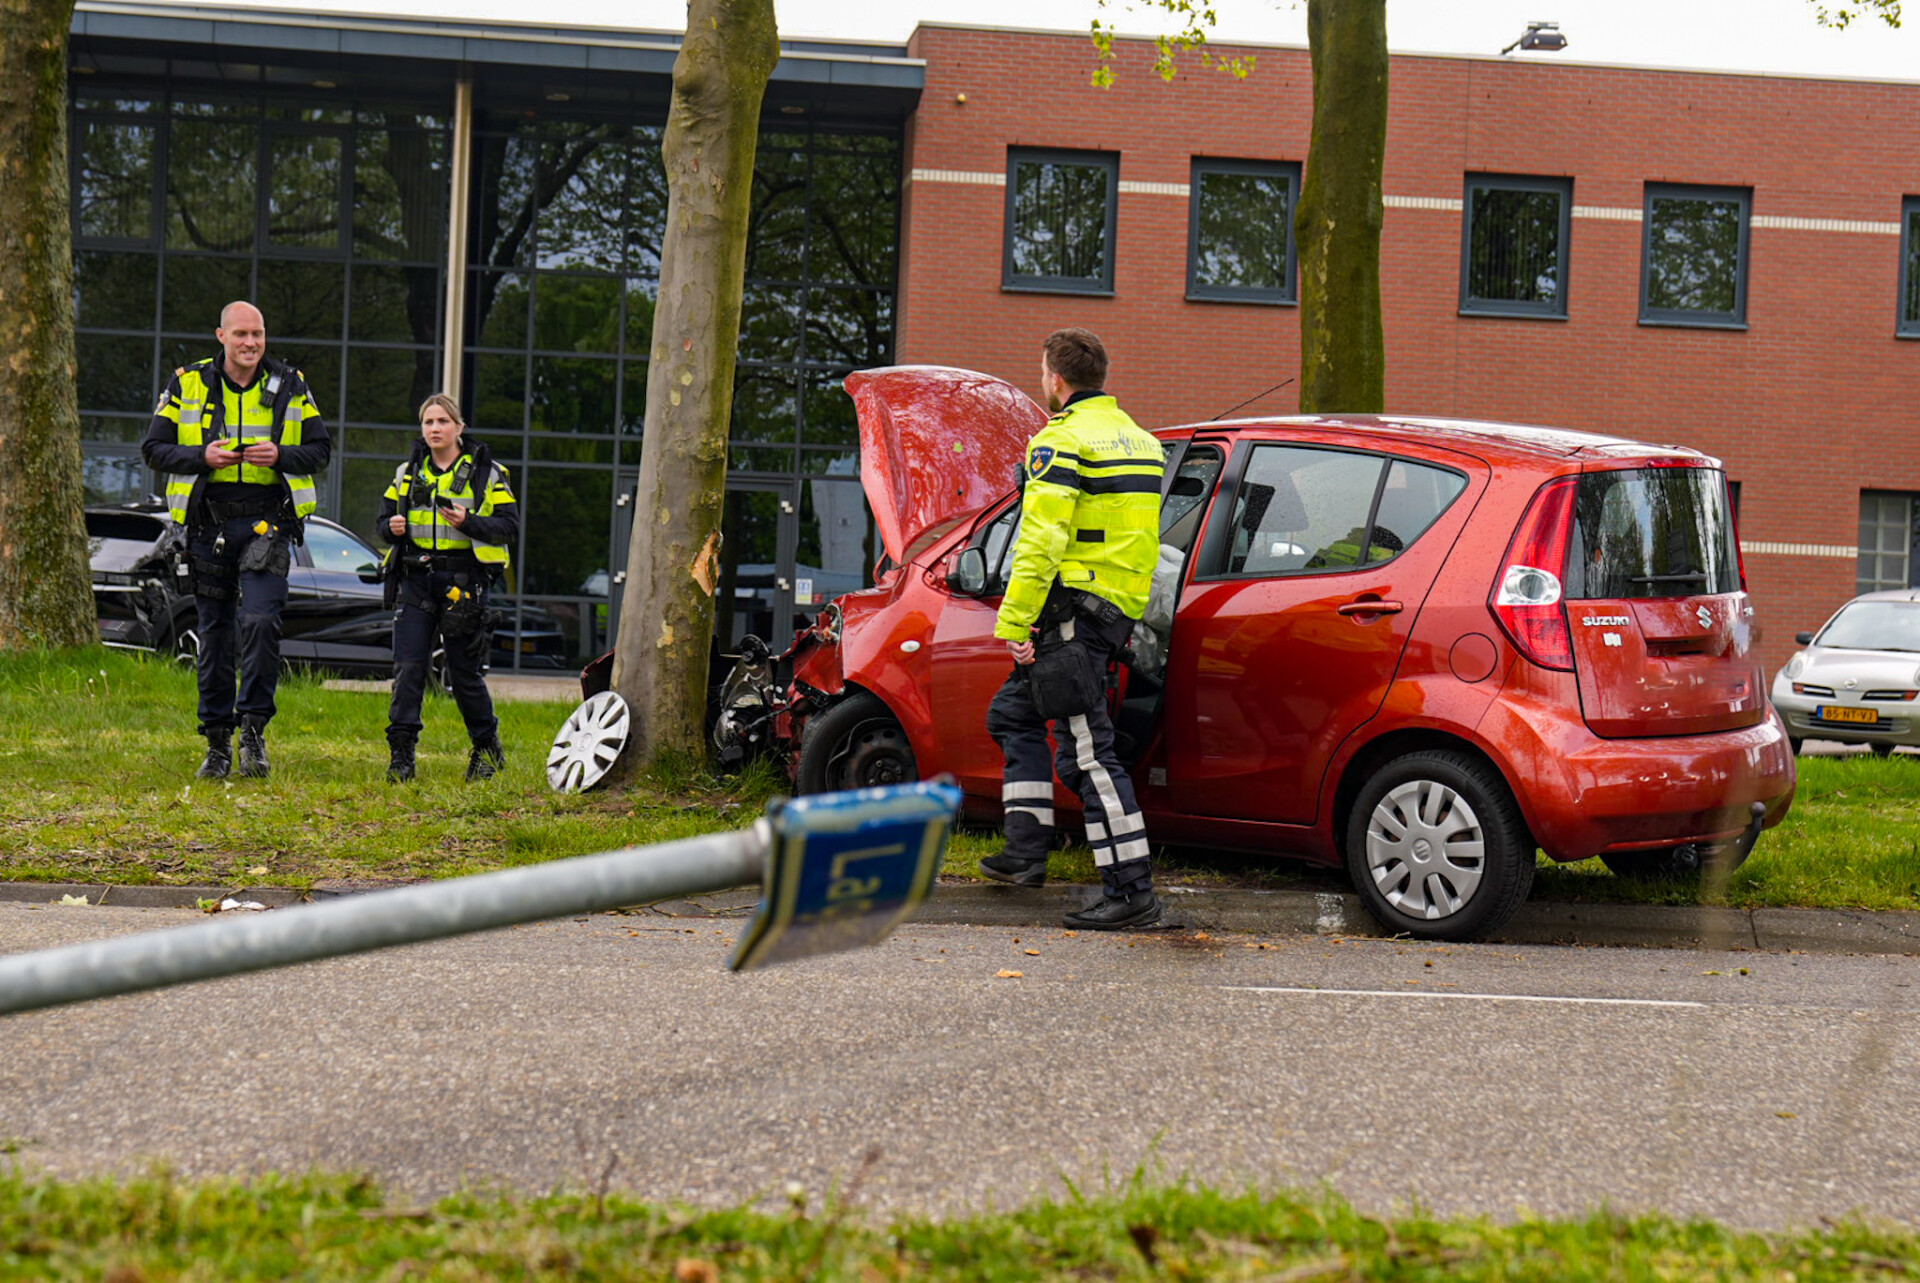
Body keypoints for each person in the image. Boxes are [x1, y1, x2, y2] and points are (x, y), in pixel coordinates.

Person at [979, 328, 1166, 930]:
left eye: (1042, 373)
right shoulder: (1142, 442)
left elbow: (1040, 541)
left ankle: (1131, 891)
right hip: (1114, 611)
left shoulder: (1058, 445)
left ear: (1055, 380)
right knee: (1012, 713)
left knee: (1087, 757)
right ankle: (1024, 854)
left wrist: (1014, 620)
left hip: (1071, 618)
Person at [141, 300, 330, 781]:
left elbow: (320, 451)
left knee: (262, 622)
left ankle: (253, 733)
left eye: (259, 334)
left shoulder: (290, 383)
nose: (251, 343)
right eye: (242, 334)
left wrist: (282, 455)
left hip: (268, 523)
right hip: (208, 523)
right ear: (220, 336)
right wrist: (202, 457)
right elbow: (154, 450)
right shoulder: (187, 383)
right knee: (216, 635)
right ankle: (217, 743)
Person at [377, 394, 516, 783]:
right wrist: (392, 529)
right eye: (428, 422)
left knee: (463, 673)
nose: (434, 428)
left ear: (458, 427)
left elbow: (509, 527)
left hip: (464, 584)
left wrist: (468, 522)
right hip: (416, 579)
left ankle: (486, 748)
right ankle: (401, 756)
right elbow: (383, 520)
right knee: (408, 668)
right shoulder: (407, 472)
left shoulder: (487, 473)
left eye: (442, 421)